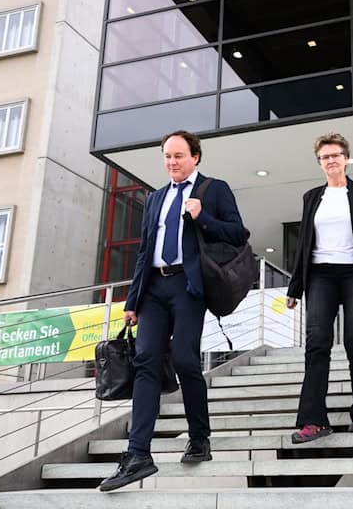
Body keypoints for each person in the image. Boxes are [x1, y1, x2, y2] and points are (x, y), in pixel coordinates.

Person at [100, 130, 248, 492]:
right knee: (146, 361)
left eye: (179, 155)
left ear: (195, 157)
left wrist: (202, 218)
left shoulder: (214, 189)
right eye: (167, 156)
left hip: (187, 287)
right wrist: (132, 301)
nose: (172, 162)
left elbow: (238, 234)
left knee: (183, 359)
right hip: (153, 288)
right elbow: (144, 251)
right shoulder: (155, 198)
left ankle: (199, 437)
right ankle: (138, 455)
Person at [285, 133, 353, 444]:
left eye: (336, 155)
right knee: (317, 343)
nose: (331, 160)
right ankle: (312, 420)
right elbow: (304, 243)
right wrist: (295, 287)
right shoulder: (311, 197)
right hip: (320, 275)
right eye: (325, 157)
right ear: (319, 163)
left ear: (346, 158)